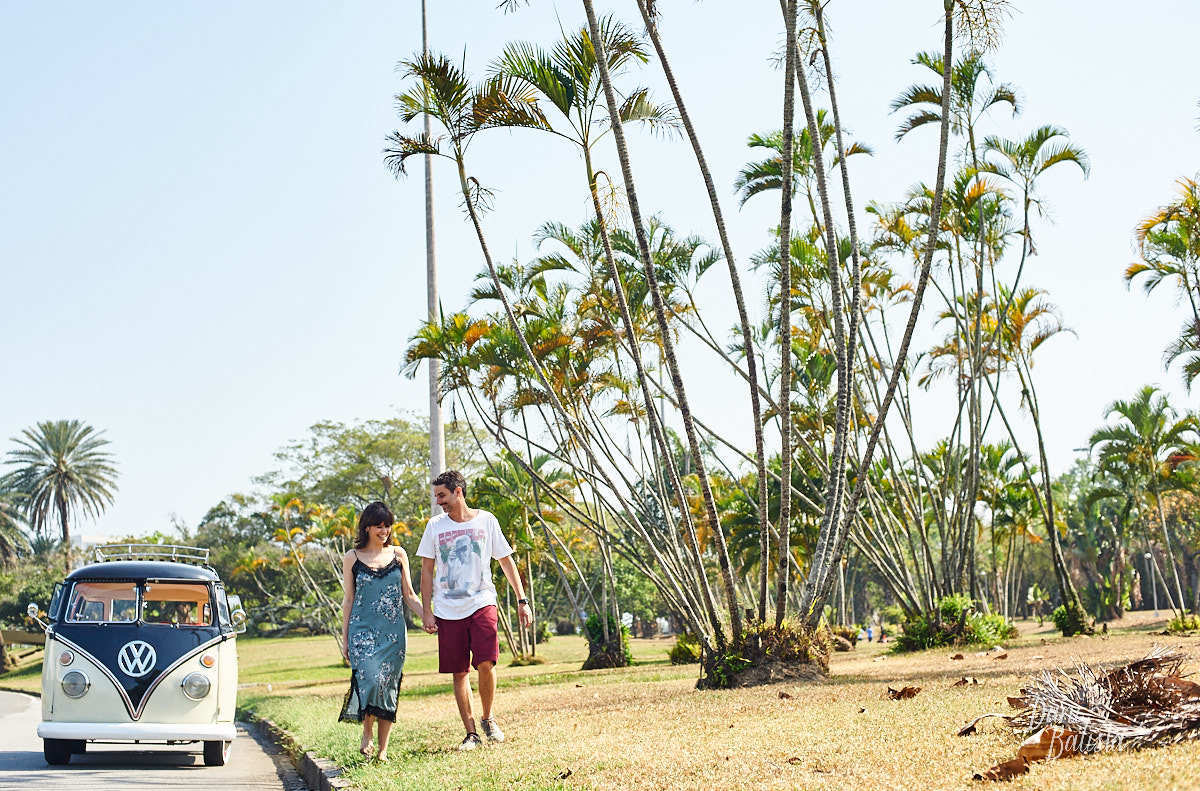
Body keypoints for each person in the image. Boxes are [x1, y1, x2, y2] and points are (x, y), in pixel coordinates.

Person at [417, 470, 533, 751]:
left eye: (442, 495)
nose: (439, 502)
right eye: (436, 497)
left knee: (486, 662)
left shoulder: (486, 521)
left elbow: (505, 561)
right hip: (447, 609)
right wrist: (427, 611)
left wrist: (522, 599)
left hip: (482, 601)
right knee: (459, 672)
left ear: (458, 492)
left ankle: (488, 718)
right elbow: (427, 570)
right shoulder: (435, 526)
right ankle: (471, 733)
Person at [338, 501, 422, 762]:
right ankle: (367, 733)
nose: (384, 530)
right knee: (371, 681)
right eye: (378, 526)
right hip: (362, 633)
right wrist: (345, 639)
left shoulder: (399, 555)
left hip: (393, 635)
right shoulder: (352, 557)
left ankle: (383, 751)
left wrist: (429, 617)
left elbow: (409, 594)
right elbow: (348, 600)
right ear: (367, 527)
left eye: (387, 526)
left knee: (388, 688)